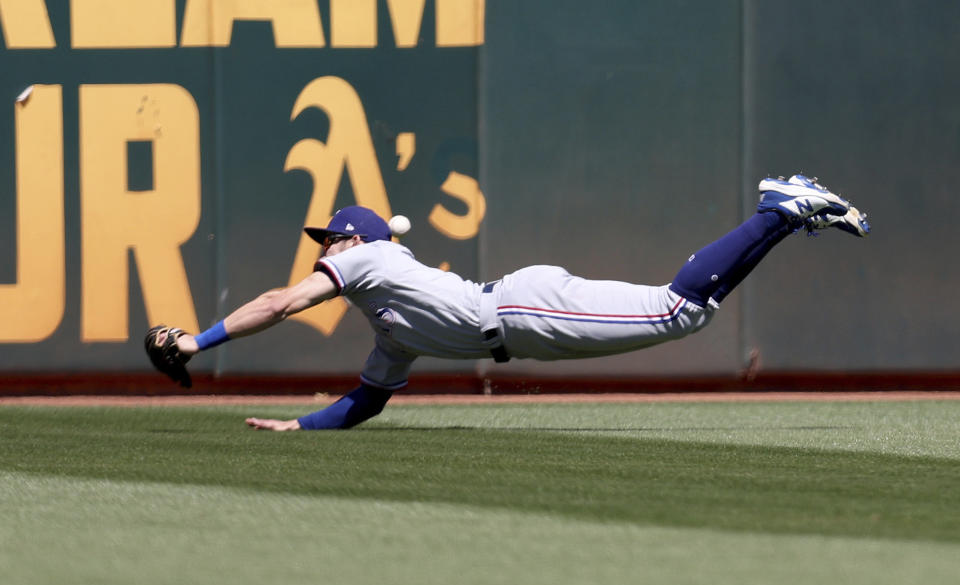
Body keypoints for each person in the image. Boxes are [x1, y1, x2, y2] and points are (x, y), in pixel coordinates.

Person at [148, 174, 869, 431]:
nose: (322, 248)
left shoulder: (367, 257)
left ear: (353, 240)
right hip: (523, 325)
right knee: (686, 314)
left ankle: (779, 210)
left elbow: (279, 302)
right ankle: (785, 212)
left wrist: (194, 345)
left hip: (522, 310)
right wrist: (300, 427)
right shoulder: (388, 330)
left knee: (677, 312)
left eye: (328, 238)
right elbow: (367, 399)